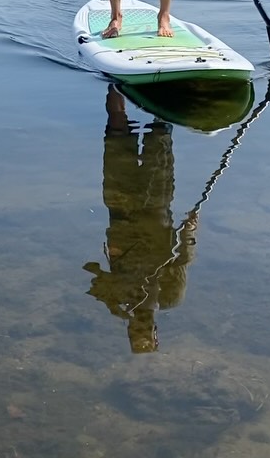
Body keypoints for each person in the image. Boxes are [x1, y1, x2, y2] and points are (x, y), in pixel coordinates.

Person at [83, 85, 198, 353]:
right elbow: (183, 259)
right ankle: (146, 84)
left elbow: (92, 273)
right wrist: (190, 229)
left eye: (136, 331)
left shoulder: (117, 299)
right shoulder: (170, 297)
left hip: (119, 205)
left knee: (116, 128)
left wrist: (112, 302)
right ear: (155, 331)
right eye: (144, 331)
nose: (140, 326)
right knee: (160, 133)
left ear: (129, 329)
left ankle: (115, 82)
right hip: (156, 207)